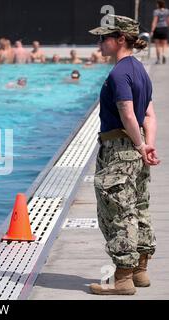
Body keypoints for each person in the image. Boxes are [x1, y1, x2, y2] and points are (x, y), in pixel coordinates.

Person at [88, 14, 160, 295]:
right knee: (138, 207)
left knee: (118, 211)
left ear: (120, 40)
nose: (99, 43)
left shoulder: (119, 73)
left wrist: (141, 145)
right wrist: (146, 146)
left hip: (118, 150)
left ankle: (122, 279)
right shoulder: (140, 70)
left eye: (104, 38)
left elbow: (127, 112)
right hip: (135, 150)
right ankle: (140, 272)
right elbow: (149, 115)